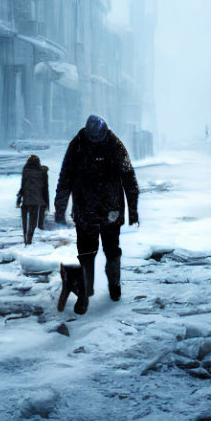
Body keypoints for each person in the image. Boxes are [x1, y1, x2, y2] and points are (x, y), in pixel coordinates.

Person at [54, 114, 139, 312]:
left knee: (110, 251)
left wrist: (133, 209)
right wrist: (60, 209)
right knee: (87, 252)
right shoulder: (78, 145)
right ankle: (87, 290)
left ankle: (113, 287)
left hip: (109, 210)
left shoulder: (114, 145)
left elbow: (128, 177)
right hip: (87, 211)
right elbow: (64, 178)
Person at [16, 154, 49, 245]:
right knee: (32, 223)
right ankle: (29, 240)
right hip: (36, 201)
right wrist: (46, 203)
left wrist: (18, 200)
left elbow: (22, 186)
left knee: (24, 222)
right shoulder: (42, 172)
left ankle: (25, 240)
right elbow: (45, 189)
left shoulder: (25, 170)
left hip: (26, 200)